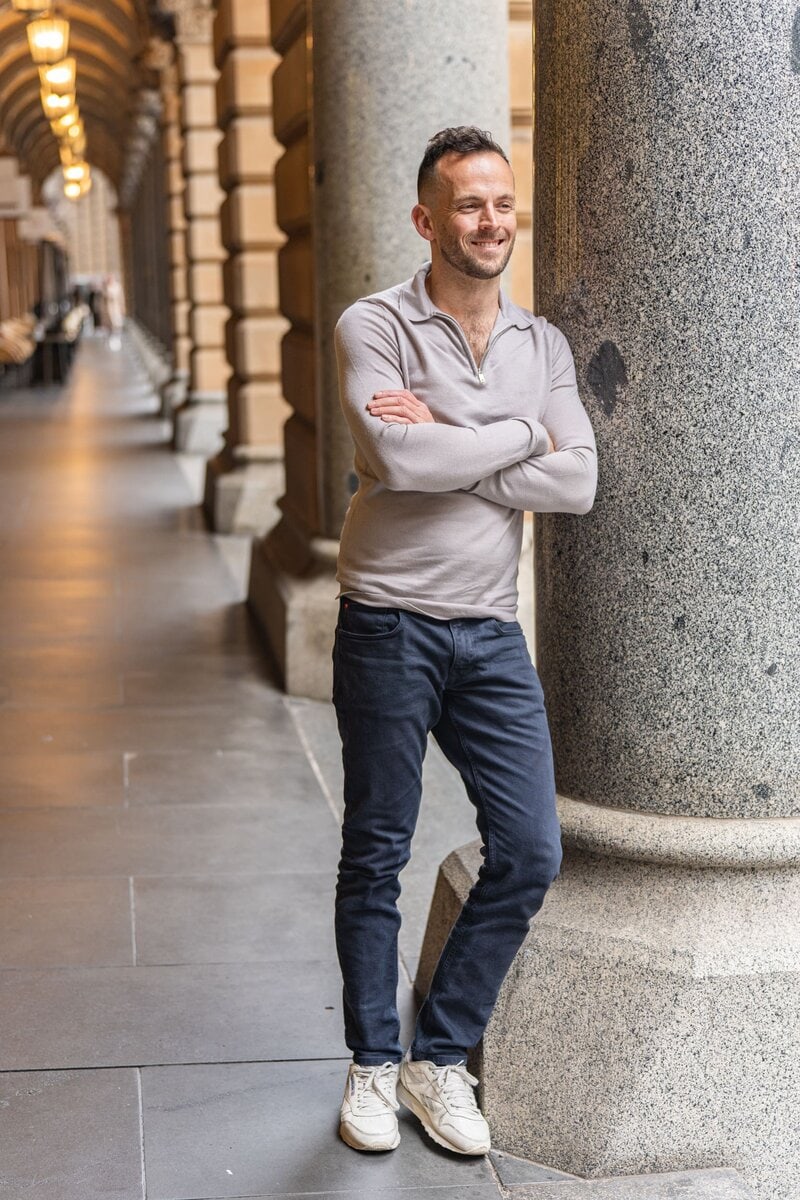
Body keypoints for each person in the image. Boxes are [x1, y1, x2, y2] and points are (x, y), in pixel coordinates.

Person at [332, 126, 597, 1157]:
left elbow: (579, 482)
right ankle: (366, 1062)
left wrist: (454, 437)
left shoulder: (541, 345)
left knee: (530, 848)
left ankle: (435, 1061)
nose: (488, 223)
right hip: (387, 620)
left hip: (488, 631)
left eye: (500, 205)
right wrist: (519, 434)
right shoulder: (374, 322)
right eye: (466, 206)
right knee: (376, 850)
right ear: (425, 220)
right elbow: (392, 458)